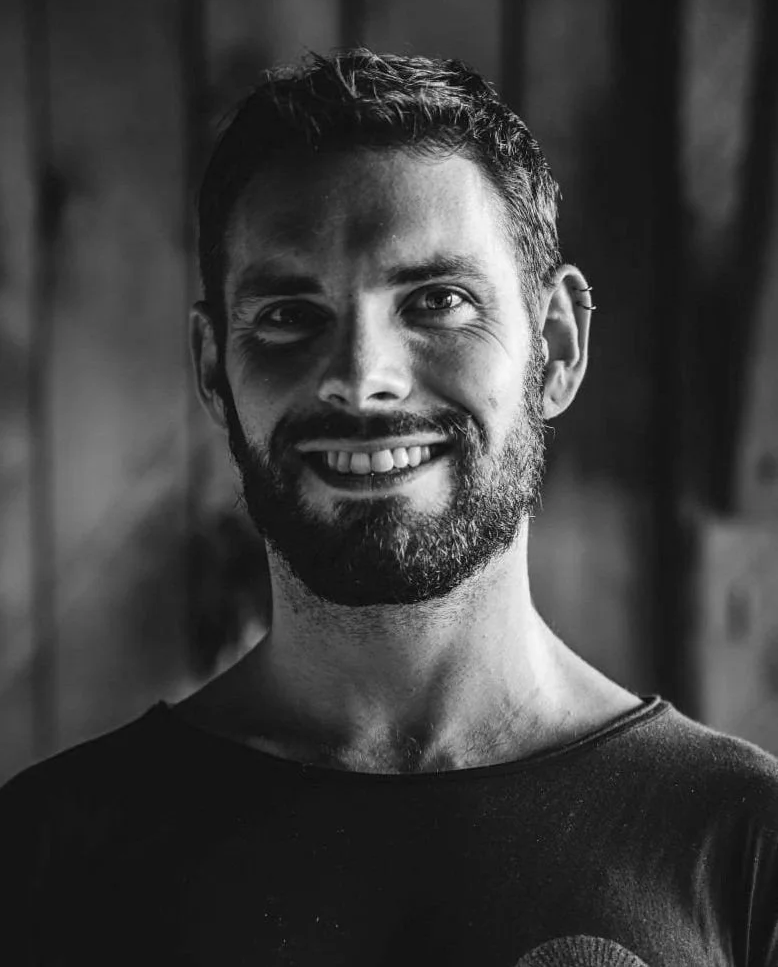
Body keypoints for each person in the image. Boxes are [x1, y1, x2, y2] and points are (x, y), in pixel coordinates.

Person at [1, 49, 776, 967]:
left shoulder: (742, 841)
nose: (362, 378)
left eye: (438, 300)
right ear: (215, 371)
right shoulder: (43, 852)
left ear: (557, 345)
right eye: (290, 315)